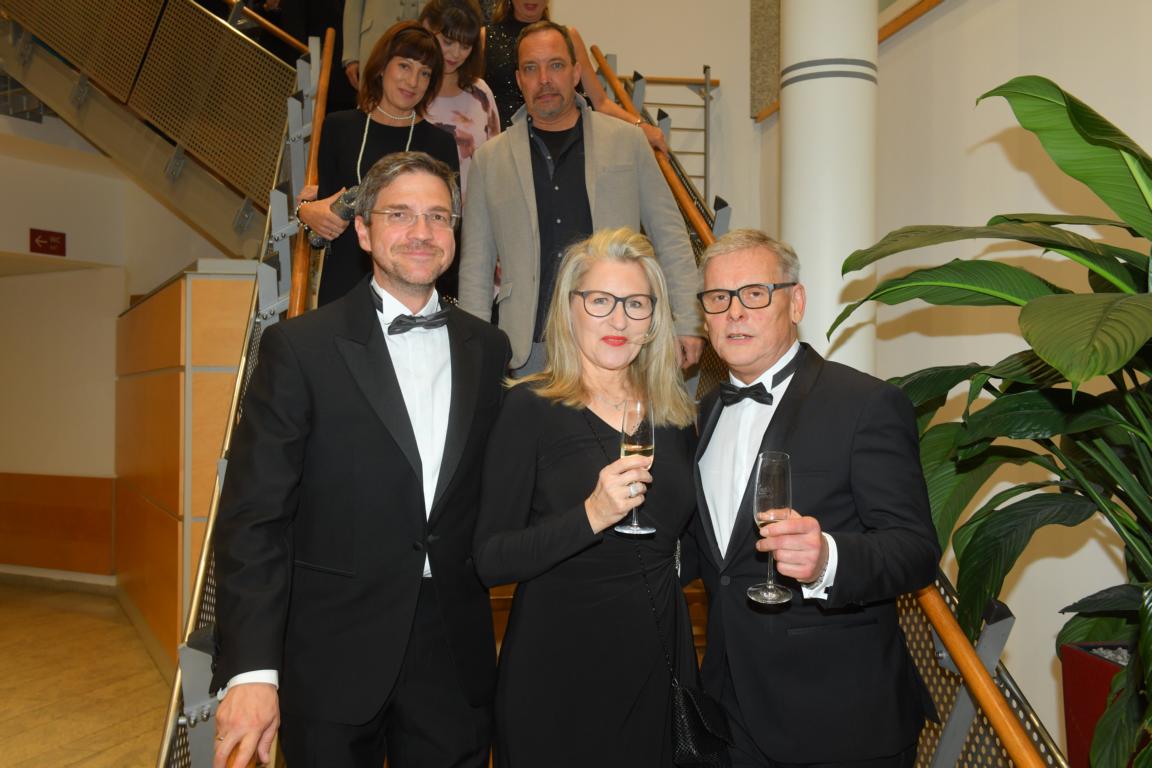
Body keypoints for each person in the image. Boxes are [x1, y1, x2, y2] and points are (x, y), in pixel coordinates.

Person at [211, 152, 511, 768]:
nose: (422, 232)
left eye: (438, 216)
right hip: (330, 652)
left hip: (453, 656)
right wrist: (252, 671)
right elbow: (255, 519)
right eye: (400, 215)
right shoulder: (299, 348)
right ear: (365, 231)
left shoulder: (489, 349)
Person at [686, 229, 940, 768]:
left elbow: (915, 550)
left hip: (839, 719)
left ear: (795, 303)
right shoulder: (704, 414)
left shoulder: (866, 403)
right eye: (718, 298)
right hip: (730, 711)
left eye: (755, 293)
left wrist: (828, 558)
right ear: (705, 317)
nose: (735, 312)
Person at [474, 227, 698, 768]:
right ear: (570, 309)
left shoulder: (675, 416)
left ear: (654, 319)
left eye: (636, 303)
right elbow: (491, 559)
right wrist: (591, 515)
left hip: (657, 657)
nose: (619, 320)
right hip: (559, 669)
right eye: (600, 301)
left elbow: (690, 539)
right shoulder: (529, 409)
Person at [457, 21, 702, 375]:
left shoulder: (628, 142)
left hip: (616, 341)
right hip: (528, 350)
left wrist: (688, 321)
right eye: (531, 68)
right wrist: (471, 349)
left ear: (575, 73)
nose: (544, 79)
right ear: (519, 79)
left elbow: (671, 236)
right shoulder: (489, 160)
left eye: (555, 65)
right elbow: (476, 267)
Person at [297, 21, 460, 306]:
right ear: (383, 66)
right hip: (342, 289)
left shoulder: (440, 144)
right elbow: (322, 218)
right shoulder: (338, 127)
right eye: (404, 66)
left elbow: (450, 228)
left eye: (424, 73)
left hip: (411, 289)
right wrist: (305, 212)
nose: (413, 82)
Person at [482, 0, 668, 152]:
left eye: (555, 65)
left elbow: (601, 101)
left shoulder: (568, 37)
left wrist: (640, 126)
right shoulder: (484, 37)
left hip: (564, 144)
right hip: (506, 147)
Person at [420, 0, 501, 197]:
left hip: (475, 208)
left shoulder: (480, 92)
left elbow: (497, 162)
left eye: (465, 46)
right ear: (427, 29)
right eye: (447, 42)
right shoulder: (411, 90)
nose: (455, 54)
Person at [342, 0, 420, 89]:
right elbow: (353, 5)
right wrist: (351, 57)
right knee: (371, 93)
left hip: (417, 42)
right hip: (374, 39)